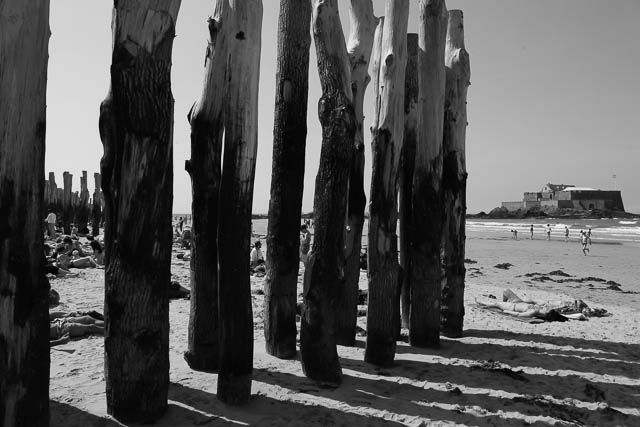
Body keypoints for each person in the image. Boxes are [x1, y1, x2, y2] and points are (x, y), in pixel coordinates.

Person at [477, 289, 606, 321]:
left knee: (498, 302)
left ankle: (492, 304)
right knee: (504, 297)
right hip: (517, 305)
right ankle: (500, 304)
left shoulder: (535, 312)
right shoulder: (540, 309)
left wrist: (505, 311)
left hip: (515, 306)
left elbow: (518, 314)